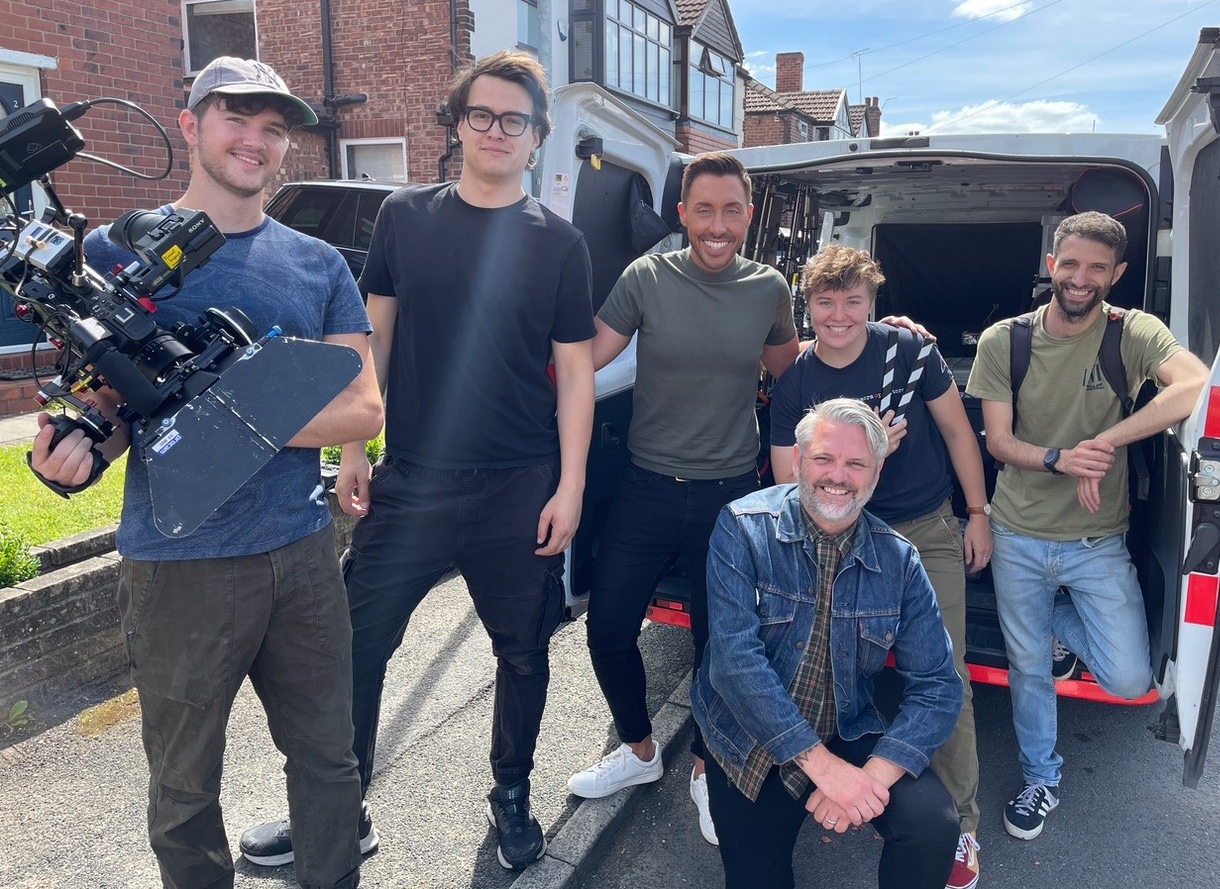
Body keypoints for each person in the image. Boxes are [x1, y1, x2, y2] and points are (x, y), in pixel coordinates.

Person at [238, 50, 596, 872]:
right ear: (459, 125)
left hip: (519, 485)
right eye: (482, 115)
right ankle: (337, 805)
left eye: (517, 120)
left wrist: (571, 485)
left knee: (522, 651)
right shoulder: (405, 215)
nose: (498, 130)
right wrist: (357, 444)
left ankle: (511, 794)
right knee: (357, 648)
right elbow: (376, 336)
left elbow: (575, 371)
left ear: (538, 139)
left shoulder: (560, 244)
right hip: (415, 480)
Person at [31, 56, 384, 889]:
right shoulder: (115, 253)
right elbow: (111, 405)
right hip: (175, 562)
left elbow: (363, 409)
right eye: (236, 119)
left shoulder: (316, 264)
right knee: (184, 788)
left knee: (327, 762)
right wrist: (75, 454)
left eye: (273, 129)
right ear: (190, 125)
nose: (255, 141)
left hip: (300, 556)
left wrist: (206, 400)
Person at [566, 153, 798, 845]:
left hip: (731, 497)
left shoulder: (769, 289)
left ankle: (706, 766)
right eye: (704, 210)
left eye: (731, 210)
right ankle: (639, 753)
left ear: (749, 216)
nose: (717, 225)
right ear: (683, 215)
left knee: (718, 647)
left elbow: (797, 374)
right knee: (608, 629)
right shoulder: (647, 278)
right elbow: (587, 357)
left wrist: (882, 332)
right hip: (646, 488)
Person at [965, 211, 1209, 840]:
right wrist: (1059, 459)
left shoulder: (1133, 333)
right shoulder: (1004, 340)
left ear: (1117, 274)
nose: (1080, 278)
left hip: (1098, 542)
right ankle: (1041, 777)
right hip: (1018, 533)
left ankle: (1051, 629)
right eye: (1070, 264)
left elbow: (1195, 385)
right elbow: (997, 442)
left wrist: (1104, 442)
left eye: (1097, 268)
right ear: (1051, 264)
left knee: (1132, 679)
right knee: (1029, 670)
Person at [768, 244, 990, 889]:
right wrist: (863, 453)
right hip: (832, 533)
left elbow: (957, 432)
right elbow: (787, 478)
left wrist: (977, 512)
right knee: (812, 667)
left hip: (921, 526)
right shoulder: (797, 382)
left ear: (873, 303)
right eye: (825, 302)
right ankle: (815, 785)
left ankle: (961, 827)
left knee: (945, 676)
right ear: (806, 306)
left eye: (853, 302)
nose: (839, 316)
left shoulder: (910, 353)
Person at [692, 398, 962, 889]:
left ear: (875, 474)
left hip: (843, 726)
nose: (838, 476)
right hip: (751, 739)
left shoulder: (900, 561)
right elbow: (734, 665)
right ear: (797, 462)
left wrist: (871, 777)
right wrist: (823, 769)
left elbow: (939, 686)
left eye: (856, 463)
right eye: (823, 459)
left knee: (933, 824)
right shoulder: (742, 527)